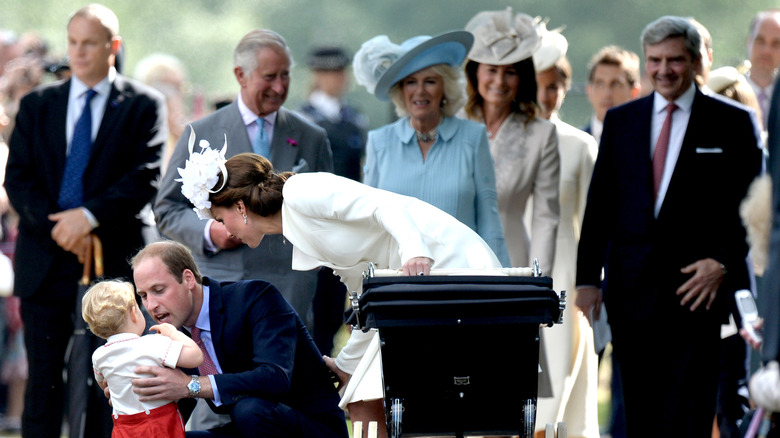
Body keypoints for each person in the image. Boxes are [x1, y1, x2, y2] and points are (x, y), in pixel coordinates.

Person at [175, 139, 503, 437]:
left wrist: (415, 249)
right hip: (404, 292)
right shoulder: (295, 231)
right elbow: (365, 300)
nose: (224, 231)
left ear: (240, 208)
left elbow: (384, 206)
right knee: (360, 396)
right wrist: (345, 364)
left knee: (391, 397)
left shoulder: (301, 191)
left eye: (219, 219)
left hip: (442, 263)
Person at [575, 16, 763, 436]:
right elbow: (599, 207)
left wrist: (723, 263)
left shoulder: (732, 122)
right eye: (654, 60)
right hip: (630, 294)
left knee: (689, 416)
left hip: (697, 295)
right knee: (637, 415)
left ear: (696, 61)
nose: (663, 70)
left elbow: (756, 210)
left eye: (674, 60)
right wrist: (587, 279)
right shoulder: (622, 122)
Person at [4, 4, 167, 437]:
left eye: (89, 43)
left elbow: (146, 175)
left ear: (112, 47)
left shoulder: (143, 104)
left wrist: (89, 217)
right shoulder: (39, 105)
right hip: (45, 260)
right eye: (72, 42)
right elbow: (18, 178)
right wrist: (63, 225)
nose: (78, 52)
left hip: (112, 263)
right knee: (43, 382)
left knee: (108, 381)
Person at [154, 28, 332, 335]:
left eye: (286, 75)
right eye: (269, 76)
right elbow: (167, 209)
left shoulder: (311, 136)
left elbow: (328, 211)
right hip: (224, 289)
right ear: (241, 75)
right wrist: (211, 231)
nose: (279, 87)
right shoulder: (200, 133)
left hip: (290, 290)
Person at [129, 240, 348, 438]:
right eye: (144, 296)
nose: (151, 306)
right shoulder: (169, 334)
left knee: (249, 410)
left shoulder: (255, 297)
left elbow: (275, 378)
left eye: (158, 290)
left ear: (188, 279)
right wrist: (132, 395)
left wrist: (191, 385)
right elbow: (174, 407)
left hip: (311, 428)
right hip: (248, 428)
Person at [355, 30, 511, 268]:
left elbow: (488, 217)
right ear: (401, 90)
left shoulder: (473, 137)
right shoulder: (380, 141)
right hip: (395, 278)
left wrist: (502, 280)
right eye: (411, 82)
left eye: (430, 81)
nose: (420, 91)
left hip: (459, 276)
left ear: (445, 88)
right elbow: (369, 222)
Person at [517, 17, 599, 437]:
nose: (546, 96)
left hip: (566, 276)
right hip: (513, 271)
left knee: (560, 391)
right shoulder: (501, 140)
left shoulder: (580, 145)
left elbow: (597, 221)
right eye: (539, 85)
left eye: (555, 86)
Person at [298, 45, 367, 356]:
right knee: (311, 307)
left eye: (340, 72)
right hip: (313, 225)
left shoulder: (354, 121)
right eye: (329, 72)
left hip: (347, 224)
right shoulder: (302, 120)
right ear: (317, 75)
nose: (337, 79)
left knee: (334, 309)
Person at [81, 280, 203, 438]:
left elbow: (104, 384)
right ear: (134, 313)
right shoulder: (153, 343)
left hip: (123, 426)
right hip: (160, 422)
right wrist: (173, 333)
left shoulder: (99, 356)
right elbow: (196, 357)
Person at [583, 46, 641, 144]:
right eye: (600, 84)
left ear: (634, 92)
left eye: (616, 84)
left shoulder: (645, 143)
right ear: (589, 91)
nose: (607, 94)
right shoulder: (575, 142)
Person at [745, 9, 780, 129]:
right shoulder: (728, 93)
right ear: (748, 42)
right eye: (760, 41)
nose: (767, 51)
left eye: (776, 44)